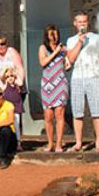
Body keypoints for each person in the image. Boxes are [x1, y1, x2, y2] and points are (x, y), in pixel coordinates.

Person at [65, 11, 99, 152]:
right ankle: (78, 142)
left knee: (96, 110)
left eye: (84, 21)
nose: (82, 24)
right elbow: (70, 59)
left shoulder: (97, 38)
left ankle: (98, 141)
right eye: (79, 22)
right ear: (75, 24)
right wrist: (79, 42)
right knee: (77, 111)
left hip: (93, 76)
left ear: (88, 23)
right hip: (77, 77)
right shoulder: (71, 40)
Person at [38, 24, 68, 153]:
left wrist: (67, 63)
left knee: (59, 114)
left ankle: (59, 144)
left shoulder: (63, 49)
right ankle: (50, 143)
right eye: (51, 34)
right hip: (47, 85)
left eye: (55, 34)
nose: (54, 37)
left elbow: (68, 61)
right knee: (48, 116)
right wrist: (55, 53)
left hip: (60, 83)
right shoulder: (43, 48)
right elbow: (43, 63)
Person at [0, 67, 25, 145]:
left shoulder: (17, 84)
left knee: (16, 125)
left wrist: (15, 73)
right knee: (7, 125)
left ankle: (18, 143)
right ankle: (8, 142)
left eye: (11, 76)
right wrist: (5, 76)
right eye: (7, 77)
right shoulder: (4, 86)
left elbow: (20, 82)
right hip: (7, 108)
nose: (10, 78)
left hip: (16, 107)